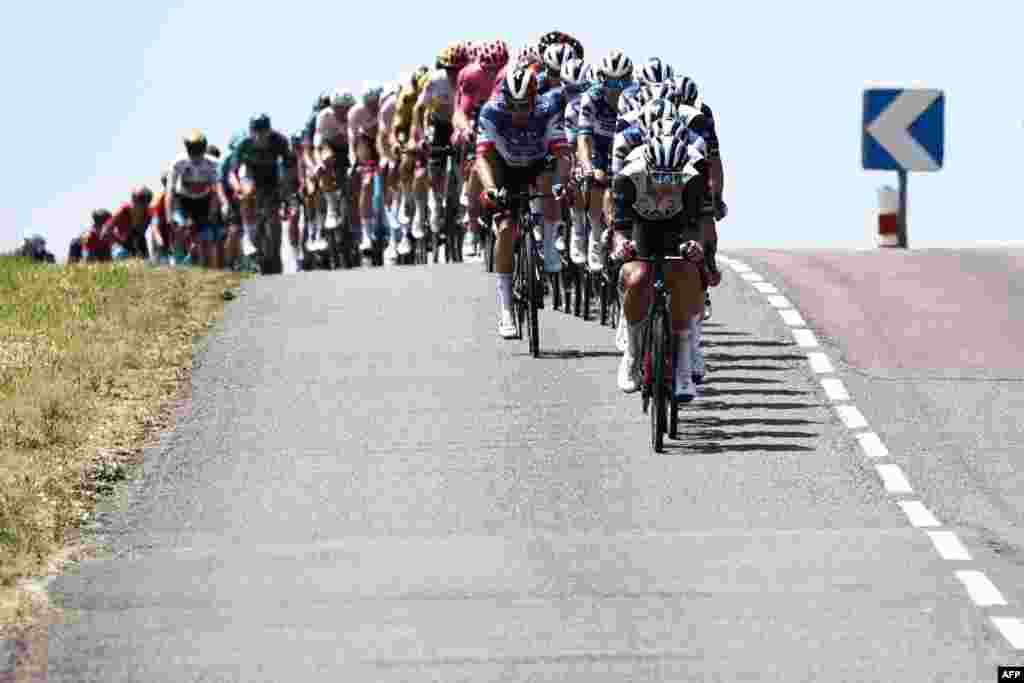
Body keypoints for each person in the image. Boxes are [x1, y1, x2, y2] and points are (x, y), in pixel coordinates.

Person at [613, 134, 714, 400]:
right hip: (641, 227)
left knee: (685, 273)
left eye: (673, 178)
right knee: (637, 277)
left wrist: (696, 248)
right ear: (647, 168)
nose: (665, 185)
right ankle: (633, 355)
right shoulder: (628, 179)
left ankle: (682, 364)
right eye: (659, 177)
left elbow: (696, 228)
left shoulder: (692, 181)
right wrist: (622, 245)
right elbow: (620, 229)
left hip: (676, 228)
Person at [476, 67, 571, 338]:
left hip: (537, 164)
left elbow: (563, 154)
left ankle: (550, 245)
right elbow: (482, 159)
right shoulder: (491, 112)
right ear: (504, 100)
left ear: (534, 101)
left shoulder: (548, 108)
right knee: (506, 230)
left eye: (525, 106)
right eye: (513, 106)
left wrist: (561, 183)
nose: (519, 112)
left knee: (549, 183)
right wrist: (492, 189)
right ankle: (506, 308)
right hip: (505, 168)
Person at [167, 129, 223, 268]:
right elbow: (170, 191)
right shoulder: (178, 163)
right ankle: (178, 261)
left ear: (204, 149)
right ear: (187, 149)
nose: (195, 155)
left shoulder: (214, 164)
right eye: (192, 150)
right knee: (179, 228)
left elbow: (216, 192)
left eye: (199, 151)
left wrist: (212, 213)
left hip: (204, 203)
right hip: (184, 202)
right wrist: (170, 217)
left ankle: (208, 270)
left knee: (206, 239)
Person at [103, 187, 153, 259]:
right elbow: (106, 230)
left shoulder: (148, 215)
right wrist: (121, 242)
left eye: (144, 203)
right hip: (120, 246)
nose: (136, 204)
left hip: (135, 246)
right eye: (134, 200)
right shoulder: (123, 211)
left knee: (145, 259)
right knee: (121, 253)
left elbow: (140, 235)